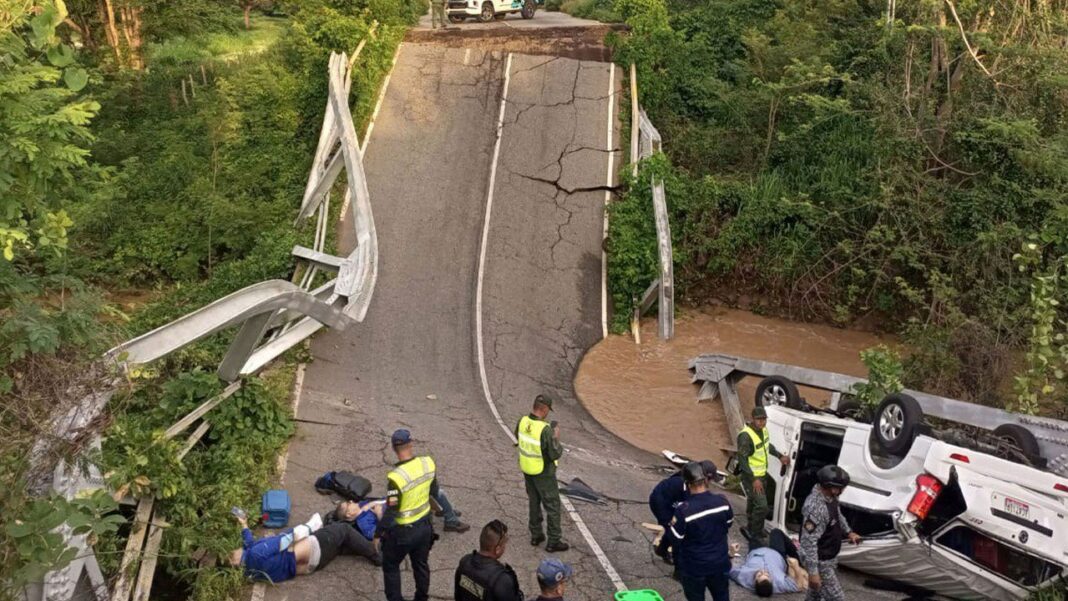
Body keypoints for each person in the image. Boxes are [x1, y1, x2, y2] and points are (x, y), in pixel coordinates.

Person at [378, 429, 441, 601]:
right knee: (421, 565)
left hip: (403, 533)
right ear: (411, 444)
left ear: (393, 449)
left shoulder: (396, 478)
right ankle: (421, 597)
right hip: (425, 528)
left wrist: (378, 533)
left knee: (390, 566)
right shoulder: (427, 463)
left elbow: (392, 510)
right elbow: (434, 490)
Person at [230, 511, 381, 582]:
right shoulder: (256, 554)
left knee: (341, 543)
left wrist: (244, 524)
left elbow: (248, 545)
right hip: (313, 549)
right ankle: (377, 556)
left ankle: (371, 546)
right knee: (343, 529)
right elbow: (286, 541)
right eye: (231, 554)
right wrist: (310, 526)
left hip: (313, 564)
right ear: (234, 561)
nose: (233, 550)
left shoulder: (248, 571)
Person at [672, 462, 733, 601]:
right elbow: (728, 524)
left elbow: (676, 539)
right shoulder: (723, 502)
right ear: (706, 480)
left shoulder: (683, 510)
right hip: (720, 564)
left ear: (687, 484)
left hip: (694, 568)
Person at [799, 466, 862, 601]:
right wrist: (813, 572)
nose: (843, 490)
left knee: (815, 595)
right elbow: (808, 543)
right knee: (837, 598)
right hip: (820, 562)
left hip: (827, 558)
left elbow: (837, 515)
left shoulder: (830, 498)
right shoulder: (816, 508)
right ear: (833, 488)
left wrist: (849, 532)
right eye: (842, 487)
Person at [515, 394, 568, 552]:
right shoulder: (545, 430)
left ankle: (536, 535)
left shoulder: (522, 421)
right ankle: (553, 541)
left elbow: (518, 437)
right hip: (543, 472)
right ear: (544, 409)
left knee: (534, 502)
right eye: (548, 410)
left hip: (527, 469)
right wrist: (556, 438)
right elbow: (555, 453)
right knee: (552, 505)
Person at [738, 406, 790, 549]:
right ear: (753, 419)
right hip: (752, 477)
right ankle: (755, 534)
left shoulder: (763, 431)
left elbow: (766, 446)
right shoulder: (746, 436)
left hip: (762, 474)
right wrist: (754, 480)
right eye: (759, 419)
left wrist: (779, 456)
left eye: (764, 419)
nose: (762, 422)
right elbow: (742, 460)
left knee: (753, 503)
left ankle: (751, 526)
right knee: (762, 506)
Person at [649, 460, 721, 565]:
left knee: (679, 530)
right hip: (662, 503)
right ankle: (675, 563)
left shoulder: (694, 482)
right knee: (675, 532)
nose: (709, 482)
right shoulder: (682, 483)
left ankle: (662, 549)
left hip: (675, 502)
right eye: (709, 479)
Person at [454, 520, 524, 601]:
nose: (505, 547)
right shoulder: (502, 579)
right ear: (497, 549)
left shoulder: (465, 562)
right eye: (504, 545)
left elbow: (458, 595)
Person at [729, 529, 808, 596]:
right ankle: (801, 560)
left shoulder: (743, 577)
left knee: (754, 536)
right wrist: (796, 566)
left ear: (754, 582)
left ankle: (752, 537)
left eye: (759, 575)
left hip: (756, 551)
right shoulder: (779, 584)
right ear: (772, 582)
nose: (763, 571)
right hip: (777, 553)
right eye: (767, 575)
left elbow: (726, 568)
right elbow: (798, 586)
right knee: (776, 532)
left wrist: (731, 553)